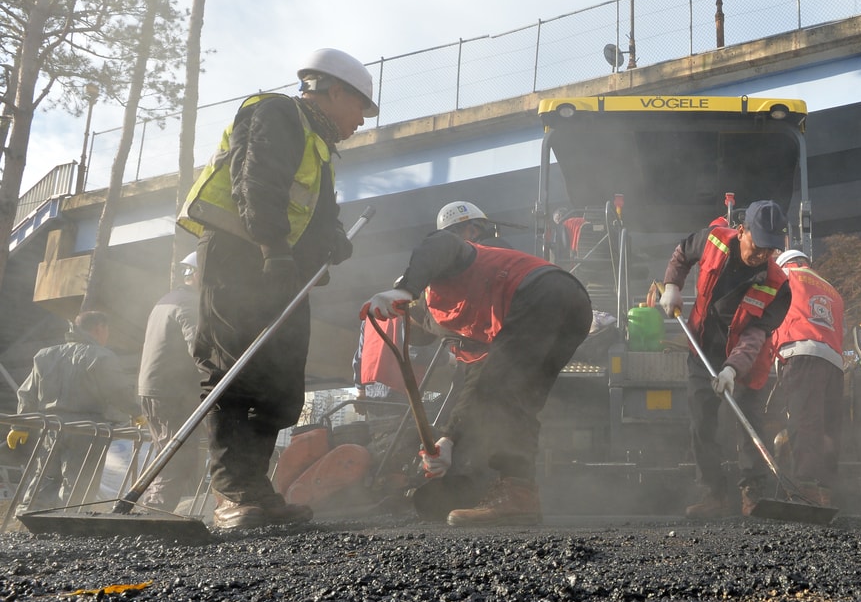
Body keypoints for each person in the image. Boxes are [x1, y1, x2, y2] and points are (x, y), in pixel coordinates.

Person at [176, 47, 375, 529]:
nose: (362, 121)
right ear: (335, 91)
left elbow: (319, 213)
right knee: (234, 372)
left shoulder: (321, 147)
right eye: (360, 109)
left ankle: (258, 489)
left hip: (279, 271)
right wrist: (274, 250)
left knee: (278, 383)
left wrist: (331, 243)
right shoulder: (278, 113)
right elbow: (256, 182)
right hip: (239, 261)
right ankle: (232, 493)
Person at [360, 200, 592, 526]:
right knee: (516, 401)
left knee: (499, 394)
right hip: (573, 307)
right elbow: (475, 383)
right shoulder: (463, 325)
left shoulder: (455, 264)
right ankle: (518, 493)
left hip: (538, 294)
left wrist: (404, 288)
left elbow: (440, 243)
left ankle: (513, 492)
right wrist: (449, 439)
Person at [658, 200, 793, 518]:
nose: (761, 256)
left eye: (769, 250)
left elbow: (755, 335)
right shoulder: (713, 239)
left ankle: (754, 496)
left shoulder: (779, 286)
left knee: (750, 425)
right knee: (702, 423)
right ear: (742, 230)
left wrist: (732, 369)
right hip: (701, 347)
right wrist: (672, 286)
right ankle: (713, 494)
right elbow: (682, 253)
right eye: (758, 246)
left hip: (746, 363)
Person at [15, 311, 137, 507]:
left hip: (50, 427)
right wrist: (137, 411)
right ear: (100, 328)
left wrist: (20, 425)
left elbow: (27, 393)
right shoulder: (102, 356)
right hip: (87, 429)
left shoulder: (45, 355)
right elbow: (118, 391)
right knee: (78, 482)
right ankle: (68, 528)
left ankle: (30, 522)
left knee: (44, 477)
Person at [770, 248, 845, 508]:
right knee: (826, 429)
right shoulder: (831, 288)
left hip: (800, 354)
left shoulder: (782, 276)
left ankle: (805, 489)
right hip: (834, 363)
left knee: (804, 424)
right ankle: (827, 492)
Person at [135, 252, 203, 510]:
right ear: (198, 275)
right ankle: (154, 514)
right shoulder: (189, 304)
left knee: (169, 452)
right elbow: (199, 348)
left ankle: (154, 510)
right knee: (178, 456)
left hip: (156, 389)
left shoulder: (166, 300)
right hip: (172, 392)